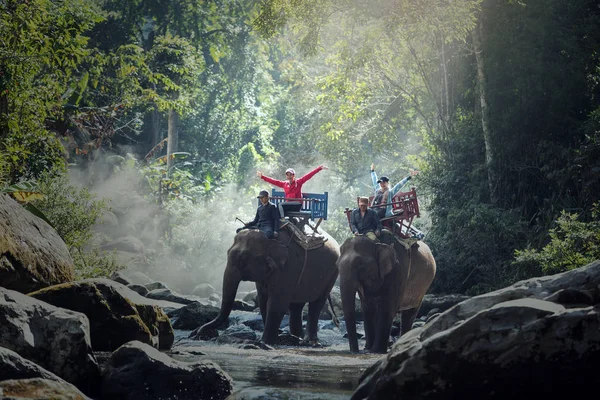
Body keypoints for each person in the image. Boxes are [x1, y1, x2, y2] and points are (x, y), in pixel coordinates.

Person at [257, 165, 328, 219]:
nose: (289, 177)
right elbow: (274, 181)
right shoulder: (284, 184)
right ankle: (274, 221)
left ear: (294, 176)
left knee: (280, 204)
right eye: (287, 175)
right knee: (274, 208)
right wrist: (263, 177)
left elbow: (308, 176)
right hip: (289, 205)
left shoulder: (299, 182)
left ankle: (283, 219)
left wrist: (319, 168)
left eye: (290, 175)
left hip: (297, 204)